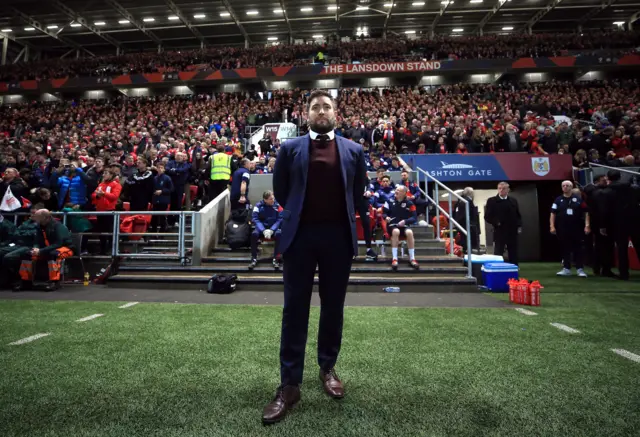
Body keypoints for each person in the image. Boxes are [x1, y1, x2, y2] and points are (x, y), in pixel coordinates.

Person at [263, 89, 367, 425]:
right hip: (300, 237)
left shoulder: (353, 150)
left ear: (336, 113)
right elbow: (282, 191)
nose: (321, 111)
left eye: (326, 106)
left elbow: (358, 193)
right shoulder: (290, 148)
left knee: (333, 306)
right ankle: (289, 384)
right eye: (314, 107)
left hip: (338, 237)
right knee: (294, 309)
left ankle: (327, 368)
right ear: (305, 114)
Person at [6, 209, 75, 292]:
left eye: (38, 217)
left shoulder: (58, 226)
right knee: (27, 254)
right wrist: (36, 248)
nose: (35, 218)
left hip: (66, 248)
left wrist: (41, 251)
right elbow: (37, 241)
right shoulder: (39, 227)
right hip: (47, 248)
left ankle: (54, 282)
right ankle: (26, 282)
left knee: (53, 254)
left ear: (46, 218)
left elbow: (58, 244)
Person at [601, 169, 640, 280]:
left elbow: (605, 211)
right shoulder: (633, 189)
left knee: (622, 249)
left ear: (608, 178)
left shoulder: (607, 192)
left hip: (618, 223)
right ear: (620, 176)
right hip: (635, 221)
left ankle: (624, 274)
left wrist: (603, 226)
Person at [550, 181, 590, 277]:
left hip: (577, 228)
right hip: (563, 228)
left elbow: (586, 212)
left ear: (571, 187)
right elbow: (553, 213)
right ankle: (566, 268)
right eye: (563, 186)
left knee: (578, 248)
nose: (565, 187)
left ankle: (580, 269)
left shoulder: (578, 200)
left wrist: (587, 225)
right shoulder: (558, 200)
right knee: (565, 248)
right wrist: (552, 226)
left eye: (567, 186)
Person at [382, 185, 420, 270]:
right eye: (396, 189)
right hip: (392, 225)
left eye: (398, 190)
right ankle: (395, 258)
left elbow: (414, 217)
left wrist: (405, 221)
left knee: (409, 233)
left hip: (404, 225)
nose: (396, 191)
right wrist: (386, 217)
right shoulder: (389, 201)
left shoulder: (410, 203)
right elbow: (384, 213)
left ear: (404, 193)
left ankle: (412, 258)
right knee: (396, 232)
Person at [484, 181, 522, 265]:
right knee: (498, 250)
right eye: (499, 188)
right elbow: (487, 216)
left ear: (508, 190)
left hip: (512, 230)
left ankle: (514, 266)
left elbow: (518, 215)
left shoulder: (513, 201)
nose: (501, 190)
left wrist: (519, 226)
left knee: (513, 250)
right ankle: (498, 266)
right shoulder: (492, 201)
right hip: (499, 230)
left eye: (503, 188)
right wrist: (497, 223)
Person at [584, 175, 614, 276]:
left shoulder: (592, 192)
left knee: (598, 246)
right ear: (597, 181)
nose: (606, 181)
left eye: (606, 179)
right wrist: (602, 226)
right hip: (601, 223)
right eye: (603, 180)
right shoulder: (600, 193)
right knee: (604, 247)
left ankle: (597, 268)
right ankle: (604, 269)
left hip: (596, 223)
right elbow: (601, 211)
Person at [248, 190, 283, 270]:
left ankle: (276, 259)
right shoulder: (258, 206)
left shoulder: (278, 205)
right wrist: (263, 230)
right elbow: (255, 219)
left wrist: (272, 230)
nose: (273, 200)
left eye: (273, 198)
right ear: (265, 200)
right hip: (262, 229)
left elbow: (280, 219)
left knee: (279, 234)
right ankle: (253, 258)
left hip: (273, 229)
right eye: (271, 199)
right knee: (254, 234)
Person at [91, 169, 122, 255]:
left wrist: (103, 194)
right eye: (104, 173)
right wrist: (97, 195)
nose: (104, 175)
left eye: (106, 173)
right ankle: (103, 249)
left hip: (110, 211)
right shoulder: (101, 184)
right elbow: (93, 195)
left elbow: (114, 196)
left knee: (110, 231)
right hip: (100, 210)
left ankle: (111, 249)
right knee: (101, 231)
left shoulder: (116, 185)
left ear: (111, 175)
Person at [453, 187, 480, 253]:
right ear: (470, 193)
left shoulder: (459, 201)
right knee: (467, 244)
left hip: (462, 226)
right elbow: (465, 215)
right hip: (468, 226)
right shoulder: (467, 201)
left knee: (464, 242)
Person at [150, 162, 174, 234]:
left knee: (162, 217)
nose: (160, 169)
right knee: (154, 217)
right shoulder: (154, 178)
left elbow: (171, 189)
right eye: (158, 167)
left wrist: (162, 191)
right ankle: (153, 232)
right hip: (155, 200)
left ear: (164, 169)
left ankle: (162, 232)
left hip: (163, 200)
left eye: (161, 168)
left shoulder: (167, 178)